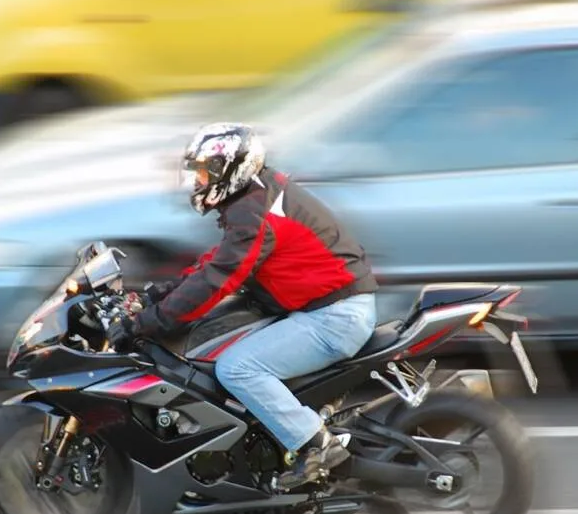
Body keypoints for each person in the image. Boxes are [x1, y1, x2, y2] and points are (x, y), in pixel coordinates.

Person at [105, 122, 379, 490]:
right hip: (322, 308)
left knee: (237, 369)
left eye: (205, 172)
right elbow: (218, 262)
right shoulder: (254, 199)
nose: (198, 182)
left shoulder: (254, 213)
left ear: (233, 170)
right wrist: (155, 296)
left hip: (335, 317)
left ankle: (318, 446)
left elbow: (220, 279)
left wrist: (148, 324)